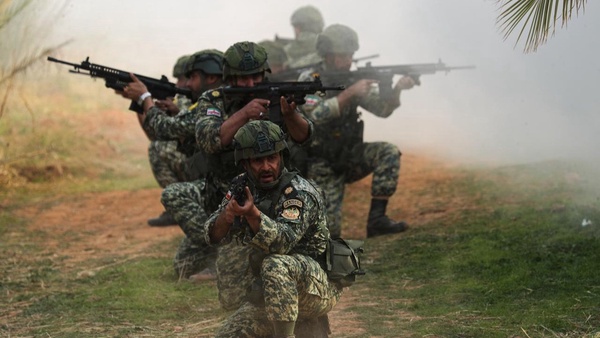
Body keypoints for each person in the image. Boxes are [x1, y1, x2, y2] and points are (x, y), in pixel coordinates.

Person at [193, 41, 314, 309]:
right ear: (230, 77)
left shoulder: (277, 93)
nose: (249, 84)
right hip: (232, 197)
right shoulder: (214, 100)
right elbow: (209, 140)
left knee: (287, 256)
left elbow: (305, 136)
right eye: (242, 78)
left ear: (265, 74)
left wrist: (289, 114)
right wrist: (243, 114)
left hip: (279, 194)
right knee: (232, 302)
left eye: (255, 77)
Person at [205, 120, 340, 337]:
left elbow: (283, 242)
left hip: (314, 288)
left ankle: (294, 328)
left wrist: (252, 214)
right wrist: (227, 215)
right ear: (245, 164)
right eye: (258, 161)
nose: (266, 167)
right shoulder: (241, 185)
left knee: (275, 263)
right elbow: (211, 234)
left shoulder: (299, 192)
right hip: (269, 295)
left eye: (272, 158)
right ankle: (298, 327)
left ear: (281, 157)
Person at [298, 24, 416, 238]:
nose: (349, 60)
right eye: (343, 55)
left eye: (351, 55)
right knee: (329, 232)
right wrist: (349, 94)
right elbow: (314, 116)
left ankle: (377, 220)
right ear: (328, 54)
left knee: (388, 152)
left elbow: (382, 110)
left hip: (350, 155)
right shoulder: (310, 79)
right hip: (322, 164)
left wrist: (397, 89)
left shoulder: (351, 79)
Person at [121, 49, 225, 280]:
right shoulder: (212, 101)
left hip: (227, 191)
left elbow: (163, 130)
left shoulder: (216, 102)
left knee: (174, 195)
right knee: (184, 265)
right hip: (217, 185)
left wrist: (144, 99)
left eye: (192, 77)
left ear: (211, 77)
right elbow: (170, 132)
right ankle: (223, 251)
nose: (187, 83)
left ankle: (226, 256)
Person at [145, 54, 190, 227]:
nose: (178, 84)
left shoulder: (195, 99)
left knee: (157, 148)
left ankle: (180, 205)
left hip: (207, 166)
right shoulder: (183, 99)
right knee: (156, 146)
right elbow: (154, 133)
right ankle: (177, 205)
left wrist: (145, 101)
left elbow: (166, 130)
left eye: (183, 78)